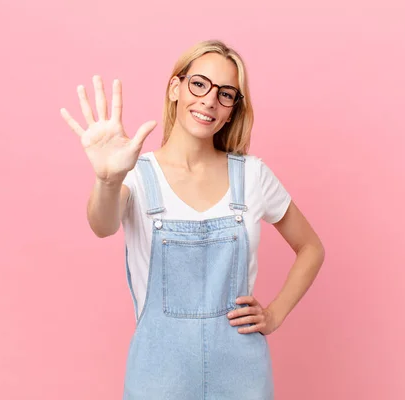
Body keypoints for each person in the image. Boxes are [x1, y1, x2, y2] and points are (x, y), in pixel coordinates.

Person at [60, 40, 325, 400]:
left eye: (226, 93)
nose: (209, 100)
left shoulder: (253, 176)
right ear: (175, 88)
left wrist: (275, 314)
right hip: (158, 379)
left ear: (232, 110)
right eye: (199, 84)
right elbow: (101, 225)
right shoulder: (135, 173)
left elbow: (311, 247)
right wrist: (108, 179)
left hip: (242, 378)